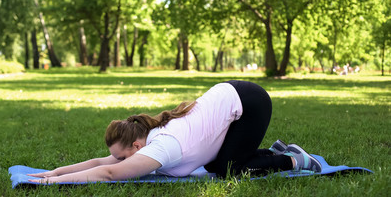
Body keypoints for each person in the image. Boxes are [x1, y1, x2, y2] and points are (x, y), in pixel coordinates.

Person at [28, 80, 321, 183]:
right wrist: (55, 171)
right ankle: (275, 151)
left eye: (122, 157)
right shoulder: (146, 140)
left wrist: (52, 185)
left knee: (229, 169)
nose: (118, 161)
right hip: (232, 98)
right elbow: (99, 163)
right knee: (218, 165)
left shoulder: (162, 147)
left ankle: (293, 160)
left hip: (249, 102)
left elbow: (109, 173)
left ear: (136, 147)